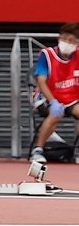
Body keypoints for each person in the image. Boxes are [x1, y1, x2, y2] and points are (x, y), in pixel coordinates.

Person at [29, 23, 79, 163]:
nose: (68, 43)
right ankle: (37, 150)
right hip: (47, 97)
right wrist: (53, 102)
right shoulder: (47, 55)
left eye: (72, 41)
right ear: (59, 39)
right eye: (66, 39)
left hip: (71, 98)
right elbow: (41, 81)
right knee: (56, 114)